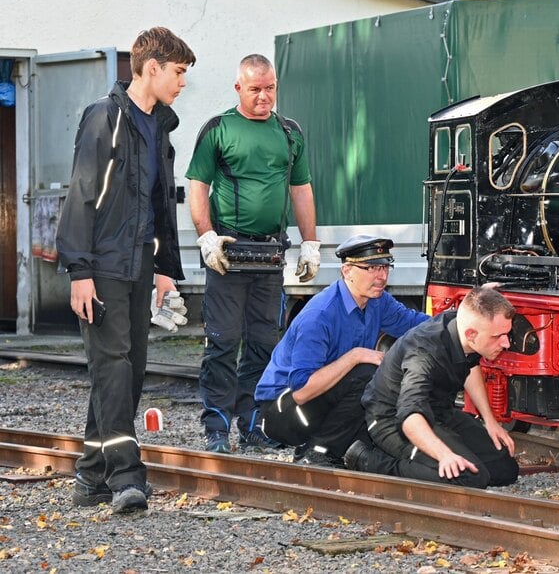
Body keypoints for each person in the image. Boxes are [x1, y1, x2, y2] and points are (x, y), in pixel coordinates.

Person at [56, 27, 196, 513]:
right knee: (112, 365)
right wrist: (79, 270)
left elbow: (159, 204)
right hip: (102, 266)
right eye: (178, 72)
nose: (182, 82)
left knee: (128, 369)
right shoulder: (105, 117)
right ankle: (126, 477)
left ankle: (90, 475)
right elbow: (82, 193)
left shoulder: (159, 126)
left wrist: (164, 268)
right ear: (152, 67)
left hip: (139, 265)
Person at [185, 54, 320, 454]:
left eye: (270, 88)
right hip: (227, 254)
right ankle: (216, 428)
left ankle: (253, 425)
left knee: (263, 344)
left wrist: (310, 243)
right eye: (255, 89)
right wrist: (206, 237)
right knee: (223, 343)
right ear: (238, 88)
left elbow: (301, 189)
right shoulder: (218, 129)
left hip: (270, 255)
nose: (264, 96)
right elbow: (198, 185)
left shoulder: (289, 133)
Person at [254, 235, 430, 466]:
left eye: (385, 267)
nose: (382, 276)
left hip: (320, 401)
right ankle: (317, 452)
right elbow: (302, 391)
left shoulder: (378, 301)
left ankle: (353, 450)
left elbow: (420, 325)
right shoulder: (319, 315)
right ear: (347, 271)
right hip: (282, 411)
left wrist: (460, 320)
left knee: (379, 379)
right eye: (371, 268)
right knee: (366, 373)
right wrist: (355, 356)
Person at [344, 286, 520, 488]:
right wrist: (444, 455)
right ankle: (369, 461)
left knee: (505, 470)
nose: (506, 343)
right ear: (471, 334)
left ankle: (429, 459)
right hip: (393, 419)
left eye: (507, 334)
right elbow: (409, 416)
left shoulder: (461, 326)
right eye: (497, 336)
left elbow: (470, 366)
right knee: (470, 478)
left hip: (438, 411)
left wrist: (490, 421)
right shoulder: (423, 353)